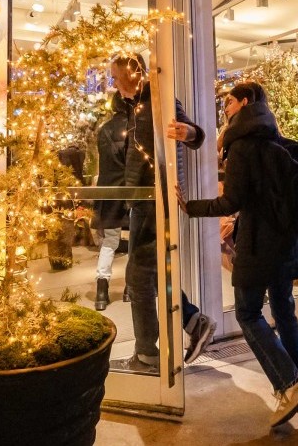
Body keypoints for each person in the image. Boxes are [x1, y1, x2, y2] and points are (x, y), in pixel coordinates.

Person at [176, 82, 298, 428]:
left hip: (258, 244)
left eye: (229, 102)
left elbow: (231, 200)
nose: (225, 108)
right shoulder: (274, 137)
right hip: (286, 242)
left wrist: (189, 206)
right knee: (285, 311)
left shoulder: (243, 145)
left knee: (248, 313)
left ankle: (291, 384)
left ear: (246, 102)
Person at [110, 53, 216, 371]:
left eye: (116, 76)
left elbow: (197, 134)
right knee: (152, 271)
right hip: (141, 199)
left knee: (138, 277)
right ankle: (193, 322)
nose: (113, 83)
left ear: (132, 72)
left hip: (155, 200)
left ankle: (148, 354)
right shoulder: (130, 106)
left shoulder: (160, 97)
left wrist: (187, 134)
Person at [91, 96, 131, 311]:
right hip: (132, 191)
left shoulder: (104, 129)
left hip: (108, 191)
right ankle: (129, 288)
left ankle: (101, 291)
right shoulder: (133, 128)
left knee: (109, 242)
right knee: (135, 241)